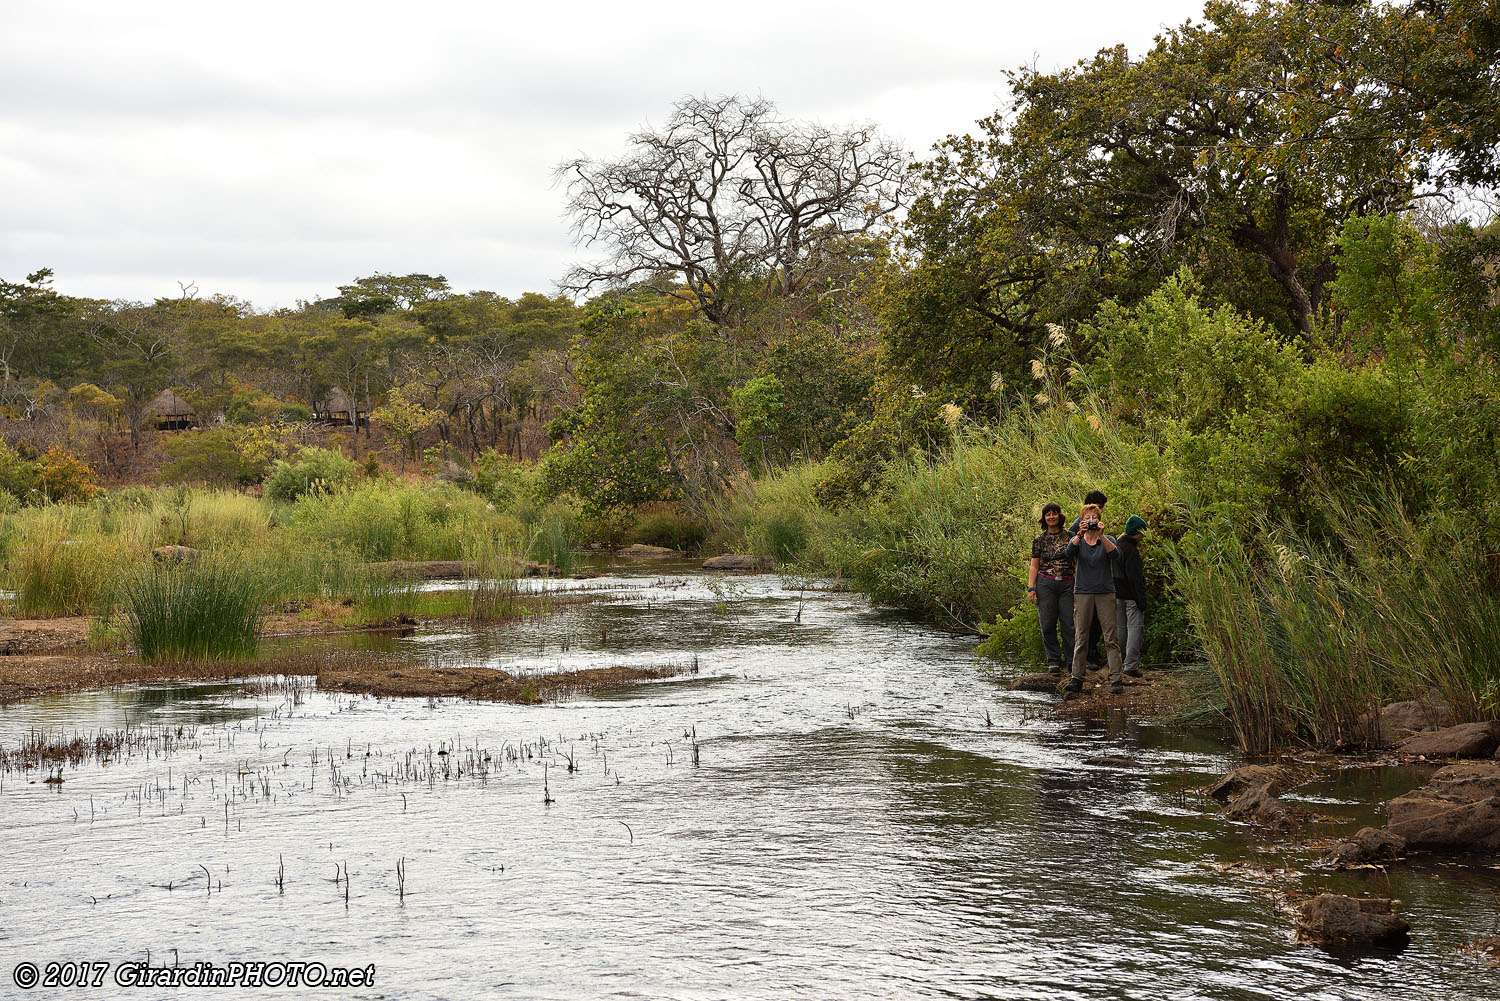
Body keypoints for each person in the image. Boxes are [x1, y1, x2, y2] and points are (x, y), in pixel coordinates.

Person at [1064, 503, 1124, 694]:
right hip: (1082, 592)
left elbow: (1115, 555)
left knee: (1111, 638)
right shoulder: (1078, 540)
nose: (1091, 521)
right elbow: (1067, 554)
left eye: (1094, 518)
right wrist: (1080, 535)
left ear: (1099, 520)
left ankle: (1116, 679)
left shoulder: (1108, 539)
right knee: (1081, 636)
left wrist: (1101, 535)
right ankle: (1077, 678)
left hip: (1105, 592)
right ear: (1081, 521)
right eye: (1087, 518)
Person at [1028, 502, 1074, 675]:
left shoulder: (1070, 536)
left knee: (1069, 624)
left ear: (1059, 516)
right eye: (1048, 514)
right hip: (1046, 583)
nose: (1051, 517)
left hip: (1068, 582)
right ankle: (1054, 661)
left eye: (1054, 513)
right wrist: (1031, 588)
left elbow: (1077, 562)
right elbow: (1034, 566)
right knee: (1047, 623)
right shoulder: (1039, 540)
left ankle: (1071, 661)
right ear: (1044, 518)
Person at [1068, 490, 1108, 666]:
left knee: (1097, 622)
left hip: (1098, 580)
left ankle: (1092, 652)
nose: (1100, 512)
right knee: (1085, 623)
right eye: (1099, 507)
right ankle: (1085, 658)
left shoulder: (1096, 525)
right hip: (1082, 580)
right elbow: (1070, 553)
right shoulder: (1077, 526)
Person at [1114, 515, 1148, 679]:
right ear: (1137, 532)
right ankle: (1131, 666)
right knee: (1135, 629)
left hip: (1117, 594)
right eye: (1143, 532)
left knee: (1120, 629)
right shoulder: (1131, 550)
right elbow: (1134, 577)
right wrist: (1141, 599)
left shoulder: (1116, 546)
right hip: (1131, 596)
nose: (1144, 536)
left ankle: (1116, 663)